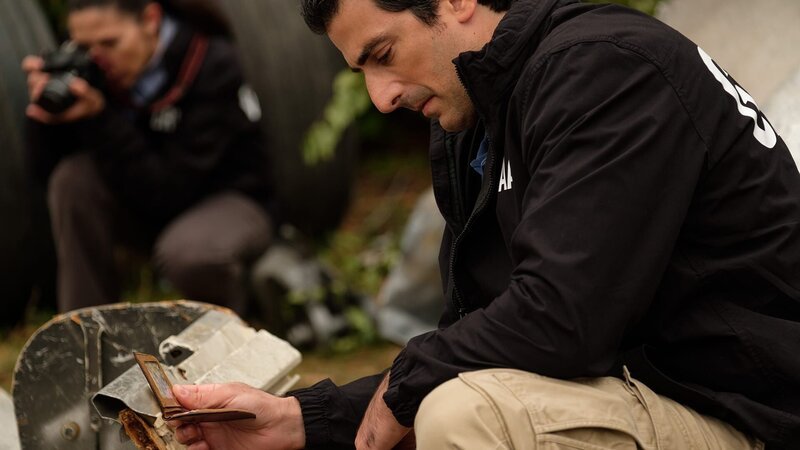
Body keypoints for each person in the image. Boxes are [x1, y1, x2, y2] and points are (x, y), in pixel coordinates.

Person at [171, 0, 800, 448]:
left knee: (465, 416)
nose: (381, 97)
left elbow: (563, 318)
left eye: (382, 55)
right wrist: (307, 420)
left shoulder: (603, 69)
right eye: (360, 71)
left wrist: (411, 382)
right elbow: (479, 338)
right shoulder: (480, 124)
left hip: (752, 417)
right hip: (654, 395)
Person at [23, 0, 276, 314]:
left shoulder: (210, 63)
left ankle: (225, 339)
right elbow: (42, 173)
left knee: (189, 253)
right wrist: (46, 116)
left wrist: (100, 118)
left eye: (109, 43)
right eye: (84, 47)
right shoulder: (95, 71)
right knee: (71, 180)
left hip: (223, 200)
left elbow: (172, 190)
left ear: (151, 19)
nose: (99, 59)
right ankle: (86, 335)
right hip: (147, 196)